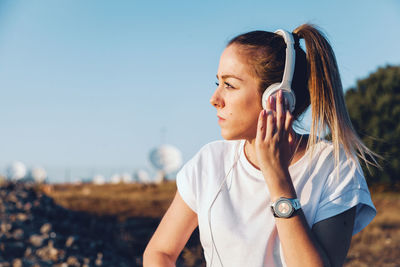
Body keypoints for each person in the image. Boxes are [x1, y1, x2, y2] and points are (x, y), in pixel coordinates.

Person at [143, 24, 377, 267]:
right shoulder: (209, 162)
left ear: (277, 97)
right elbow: (159, 252)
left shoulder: (335, 167)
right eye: (217, 84)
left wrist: (278, 178)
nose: (214, 100)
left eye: (230, 85)